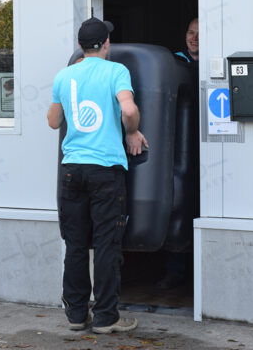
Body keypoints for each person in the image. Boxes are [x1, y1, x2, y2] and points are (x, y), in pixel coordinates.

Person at [47, 17, 148, 334]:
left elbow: (52, 121)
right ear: (106, 44)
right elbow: (129, 111)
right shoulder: (116, 71)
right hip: (106, 169)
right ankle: (105, 317)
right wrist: (131, 131)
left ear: (80, 46)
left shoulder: (64, 76)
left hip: (72, 170)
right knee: (106, 245)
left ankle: (77, 315)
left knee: (75, 244)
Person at [155, 17, 199, 290]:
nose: (194, 38)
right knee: (178, 206)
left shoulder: (211, 62)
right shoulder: (174, 65)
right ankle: (175, 271)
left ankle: (199, 273)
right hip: (179, 147)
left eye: (199, 33)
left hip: (208, 145)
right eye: (190, 32)